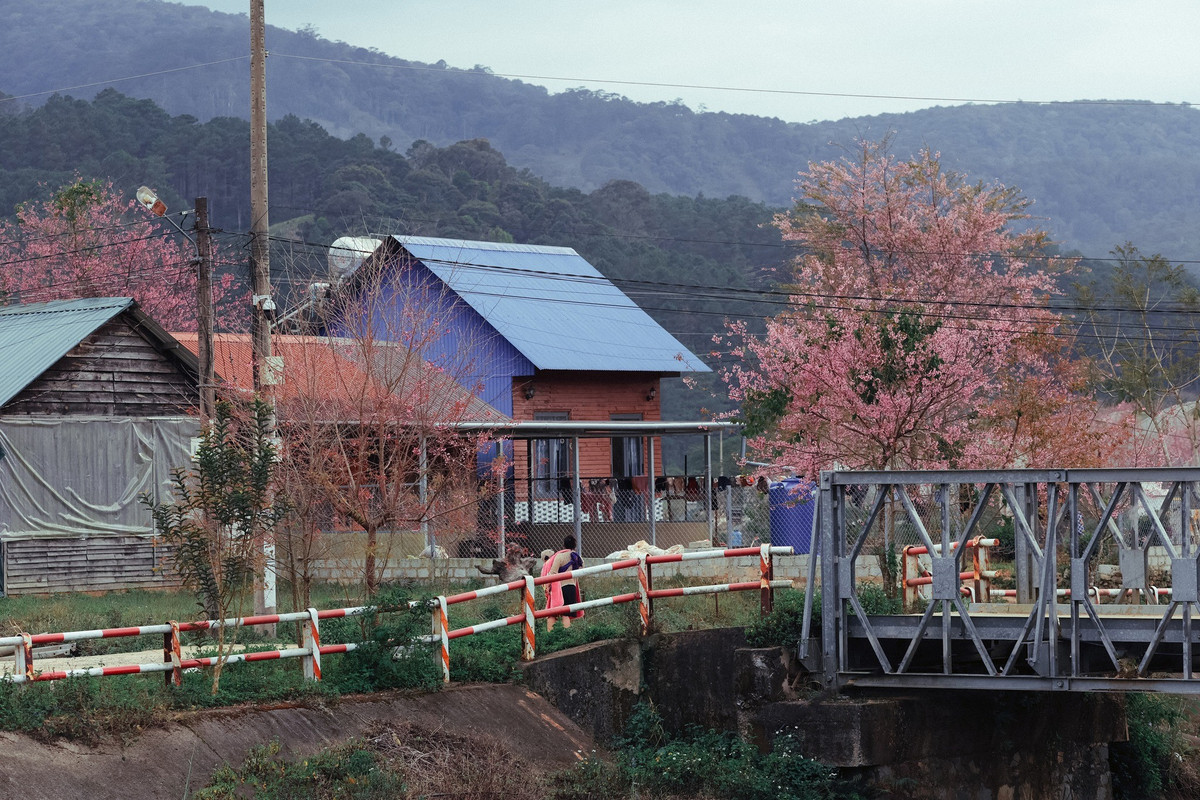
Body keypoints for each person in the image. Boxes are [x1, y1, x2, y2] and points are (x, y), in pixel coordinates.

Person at [540, 535, 584, 631]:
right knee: (566, 613)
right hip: (572, 587)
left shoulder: (559, 556)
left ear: (563, 545)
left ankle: (550, 635)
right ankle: (566, 635)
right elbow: (581, 569)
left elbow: (553, 572)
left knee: (552, 613)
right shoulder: (577, 557)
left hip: (559, 588)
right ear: (575, 545)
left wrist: (547, 586)